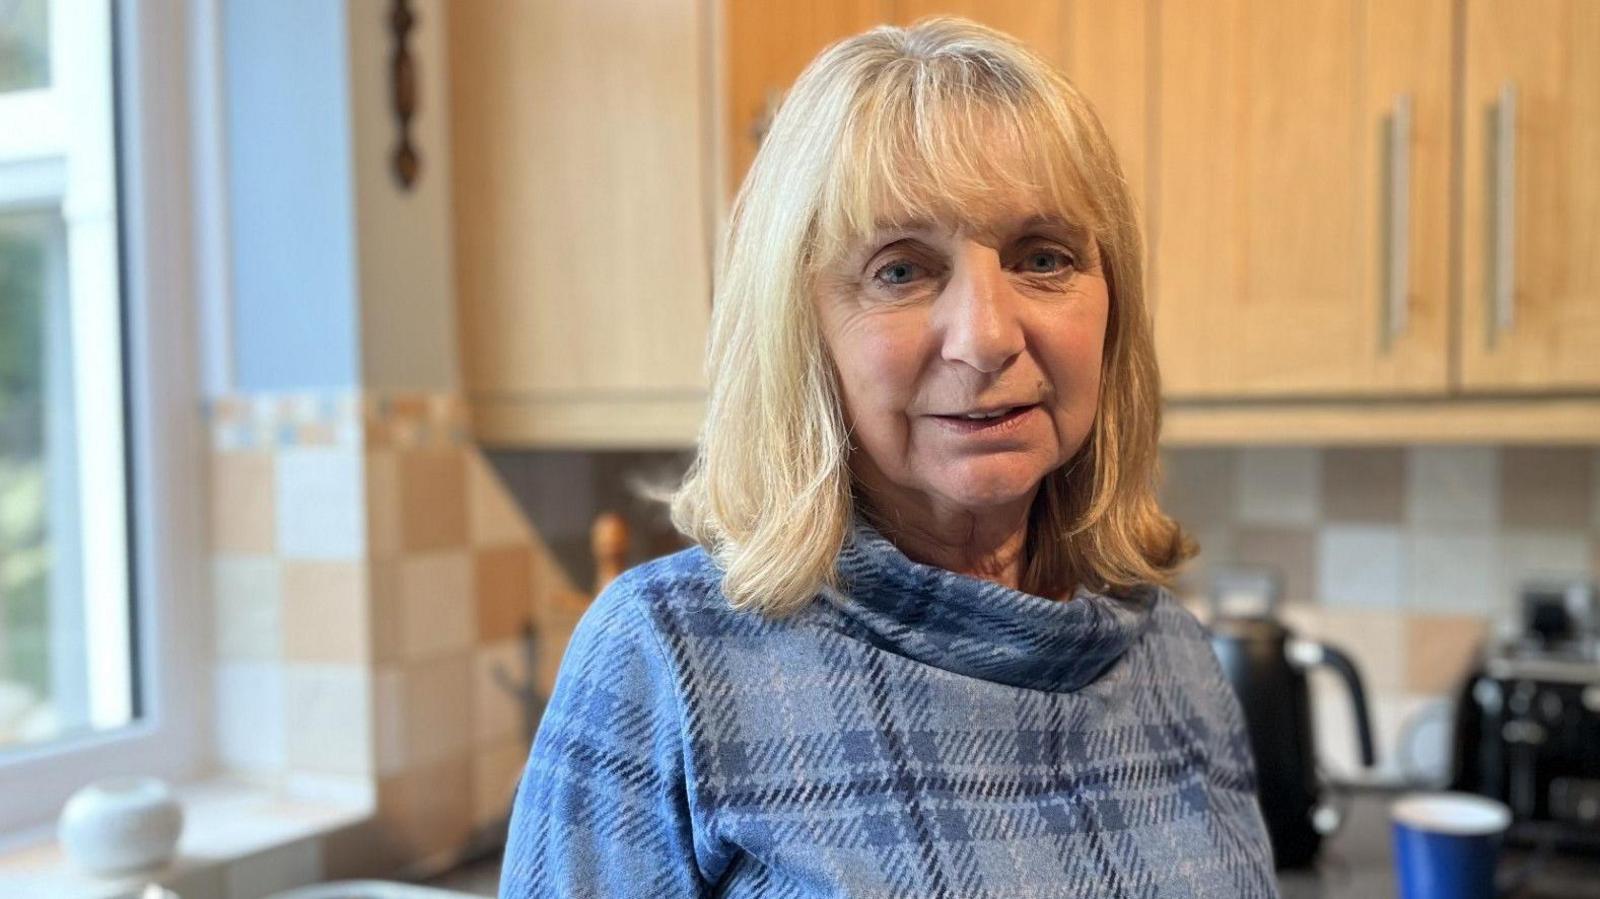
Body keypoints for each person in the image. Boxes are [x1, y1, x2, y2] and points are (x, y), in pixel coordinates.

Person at [499, 16, 1279, 899]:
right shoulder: (666, 660)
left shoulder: (1171, 653)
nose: (985, 336)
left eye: (1043, 257)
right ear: (802, 331)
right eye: (901, 271)